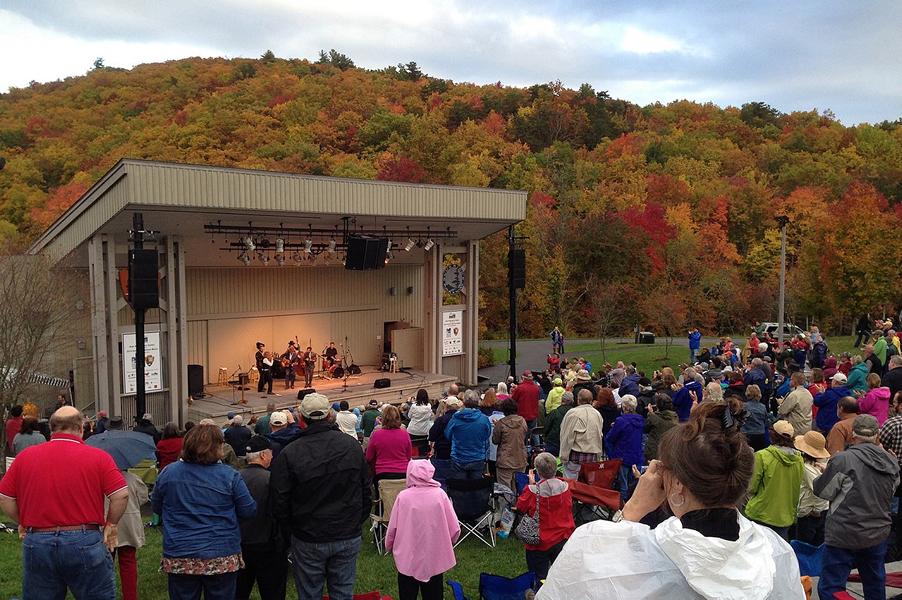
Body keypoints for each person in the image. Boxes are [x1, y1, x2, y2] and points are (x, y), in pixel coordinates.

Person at [538, 400, 804, 599]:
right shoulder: (777, 554)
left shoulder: (610, 551)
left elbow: (577, 581)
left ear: (677, 484)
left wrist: (632, 510)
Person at [0, 406, 129, 600]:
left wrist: (23, 521)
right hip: (85, 538)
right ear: (81, 428)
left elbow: (4, 496)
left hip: (38, 540)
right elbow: (121, 495)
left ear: (51, 429)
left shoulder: (25, 457)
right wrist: (111, 523)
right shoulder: (99, 457)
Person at [270, 393, 371, 600]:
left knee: (311, 594)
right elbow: (366, 489)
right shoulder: (351, 446)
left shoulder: (291, 452)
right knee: (342, 593)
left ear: (301, 419)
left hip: (315, 535)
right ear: (329, 416)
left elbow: (280, 501)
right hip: (332, 534)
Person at [152, 423, 256, 599]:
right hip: (221, 553)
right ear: (217, 447)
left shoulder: (168, 473)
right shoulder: (229, 475)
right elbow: (248, 510)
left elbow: (157, 506)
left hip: (180, 552)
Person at [815, 414, 900, 600]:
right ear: (877, 435)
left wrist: (826, 471)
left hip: (844, 533)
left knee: (832, 587)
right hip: (877, 533)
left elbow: (823, 491)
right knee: (875, 583)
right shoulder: (891, 461)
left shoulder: (843, 460)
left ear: (853, 435)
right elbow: (890, 492)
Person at [386, 460, 460, 600]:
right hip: (434, 556)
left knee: (407, 593)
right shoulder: (440, 495)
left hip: (408, 556)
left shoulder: (403, 497)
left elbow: (392, 528)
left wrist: (389, 545)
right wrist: (448, 542)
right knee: (434, 593)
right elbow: (454, 527)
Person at [236, 435, 286, 600]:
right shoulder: (271, 479)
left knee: (238, 591)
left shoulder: (235, 478)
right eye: (271, 453)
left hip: (239, 543)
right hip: (267, 544)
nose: (272, 457)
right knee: (272, 592)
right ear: (264, 455)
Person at [515, 452, 575, 582]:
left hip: (540, 541)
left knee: (539, 577)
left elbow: (520, 507)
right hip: (562, 536)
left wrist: (531, 485)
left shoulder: (532, 491)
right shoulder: (565, 487)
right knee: (561, 575)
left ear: (538, 471)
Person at [744, 420, 804, 540]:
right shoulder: (799, 460)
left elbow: (751, 487)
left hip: (760, 514)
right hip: (785, 517)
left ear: (772, 435)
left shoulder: (762, 456)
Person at [111, 469, 149, 600]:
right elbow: (143, 498)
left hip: (108, 525)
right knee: (128, 561)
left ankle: (107, 594)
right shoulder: (133, 479)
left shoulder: (99, 479)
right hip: (129, 525)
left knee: (106, 563)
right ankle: (130, 596)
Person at [793, 430, 830, 546]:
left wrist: (817, 510)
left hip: (810, 514)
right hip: (820, 512)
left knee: (805, 546)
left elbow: (822, 490)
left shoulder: (807, 468)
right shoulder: (823, 464)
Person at [444, 390, 492, 478]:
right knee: (475, 485)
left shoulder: (456, 418)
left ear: (464, 402)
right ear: (477, 402)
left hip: (459, 456)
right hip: (477, 457)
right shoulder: (484, 419)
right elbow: (487, 435)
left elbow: (448, 435)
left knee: (460, 485)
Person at [605, 395, 644, 502]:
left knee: (623, 485)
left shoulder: (621, 421)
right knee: (634, 483)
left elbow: (610, 437)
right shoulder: (640, 420)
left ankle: (622, 506)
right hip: (636, 455)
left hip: (623, 455)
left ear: (624, 406)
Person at [559, 389, 604, 480]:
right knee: (587, 486)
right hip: (592, 457)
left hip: (575, 457)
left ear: (578, 400)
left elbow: (566, 436)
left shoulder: (573, 413)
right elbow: (599, 436)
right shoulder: (597, 414)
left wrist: (563, 457)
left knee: (571, 484)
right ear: (591, 400)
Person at [366, 405, 412, 484]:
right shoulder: (405, 434)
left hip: (382, 473)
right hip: (403, 472)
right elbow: (408, 456)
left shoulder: (376, 434)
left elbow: (369, 457)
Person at [492, 399, 528, 492]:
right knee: (518, 488)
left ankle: (508, 502)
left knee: (505, 490)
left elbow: (495, 440)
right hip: (520, 458)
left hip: (505, 460)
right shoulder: (523, 421)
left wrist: (496, 427)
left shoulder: (501, 424)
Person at [644, 393, 678, 461]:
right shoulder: (675, 418)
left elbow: (645, 429)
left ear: (657, 406)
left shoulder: (653, 418)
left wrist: (651, 413)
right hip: (669, 452)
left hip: (654, 452)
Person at [544, 391, 573, 458]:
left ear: (562, 400)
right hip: (569, 445)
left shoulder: (554, 413)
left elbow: (546, 428)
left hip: (553, 444)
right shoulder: (575, 414)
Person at [740, 384, 768, 451]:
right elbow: (765, 422)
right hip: (760, 434)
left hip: (746, 435)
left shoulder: (743, 406)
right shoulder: (763, 407)